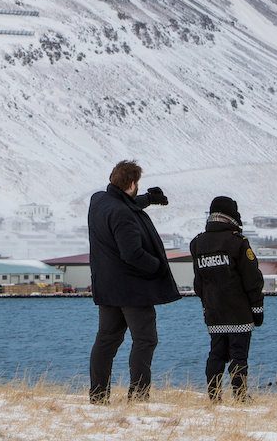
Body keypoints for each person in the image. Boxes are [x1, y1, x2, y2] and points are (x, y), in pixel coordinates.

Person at [87, 159, 180, 404]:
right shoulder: (122, 214)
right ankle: (138, 397)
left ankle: (98, 396)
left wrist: (148, 199)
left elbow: (123, 205)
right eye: (137, 184)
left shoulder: (98, 201)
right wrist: (157, 265)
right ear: (131, 183)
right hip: (132, 291)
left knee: (106, 340)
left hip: (107, 288)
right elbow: (132, 254)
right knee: (145, 339)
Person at [190, 195, 264, 402]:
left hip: (213, 312)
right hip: (239, 313)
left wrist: (206, 306)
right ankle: (240, 397)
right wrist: (257, 309)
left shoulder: (197, 244)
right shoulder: (237, 242)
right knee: (239, 356)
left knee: (216, 355)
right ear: (231, 215)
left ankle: (214, 397)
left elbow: (199, 283)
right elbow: (252, 279)